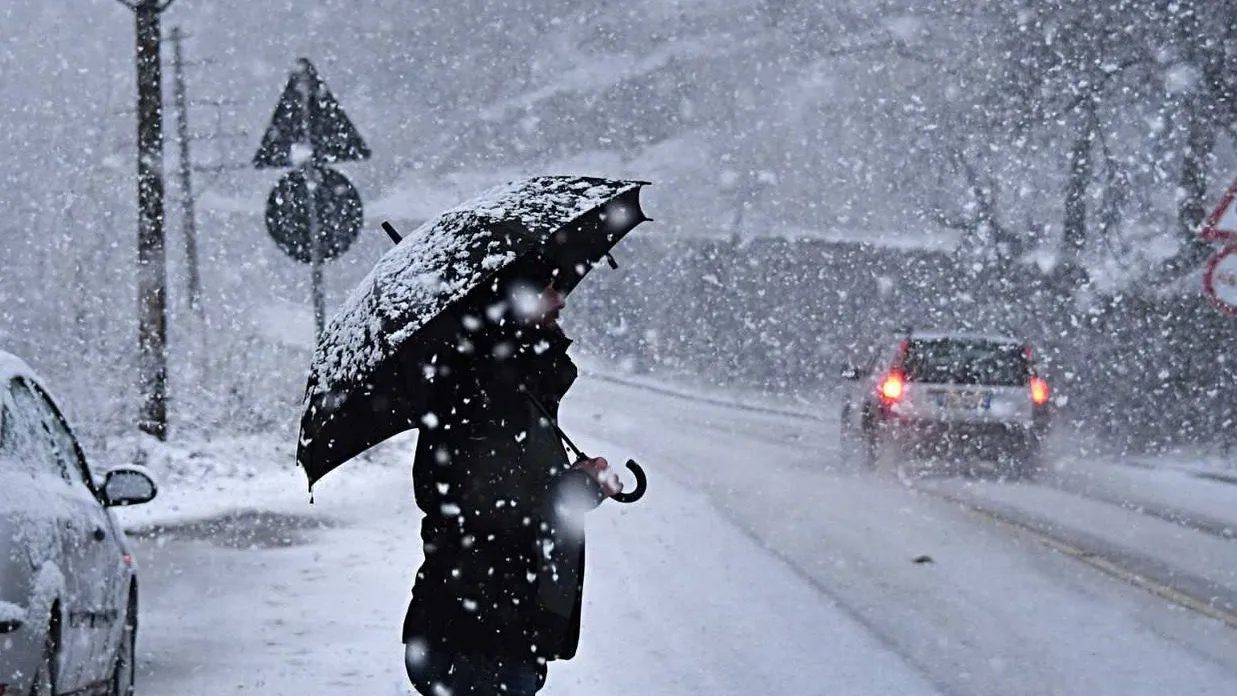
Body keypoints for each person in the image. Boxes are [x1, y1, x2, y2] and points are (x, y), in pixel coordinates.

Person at [401, 263, 624, 696]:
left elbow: (512, 492)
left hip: (488, 630)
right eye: (546, 288)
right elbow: (493, 513)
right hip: (480, 636)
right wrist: (581, 486)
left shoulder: (503, 383)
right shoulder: (484, 388)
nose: (560, 299)